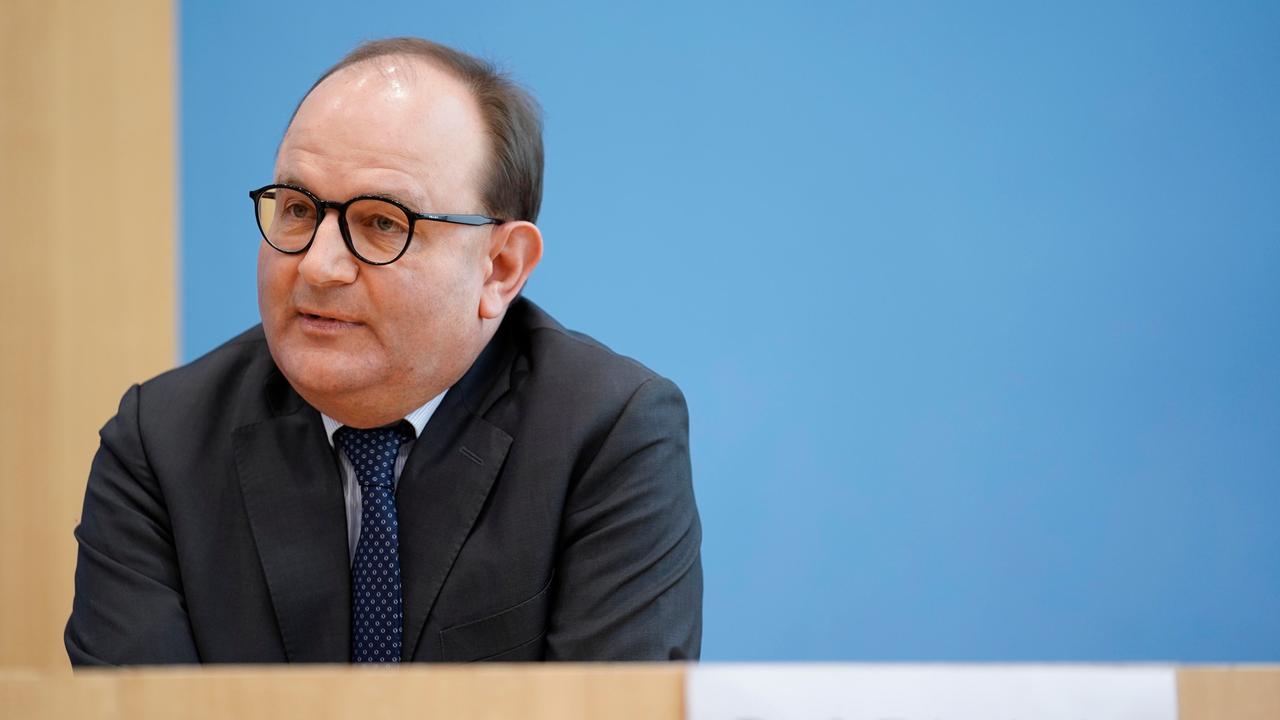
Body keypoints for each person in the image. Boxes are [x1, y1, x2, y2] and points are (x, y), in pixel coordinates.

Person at [65, 37, 702, 665]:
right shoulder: (159, 445)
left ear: (500, 268)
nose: (318, 266)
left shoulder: (607, 435)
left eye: (382, 223)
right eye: (296, 209)